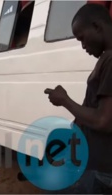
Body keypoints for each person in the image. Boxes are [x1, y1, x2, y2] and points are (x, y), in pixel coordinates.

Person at [44, 3, 112, 194]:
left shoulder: (111, 61)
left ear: (97, 27)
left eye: (82, 38)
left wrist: (64, 100)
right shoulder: (105, 59)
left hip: (100, 170)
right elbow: (93, 108)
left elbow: (104, 120)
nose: (82, 46)